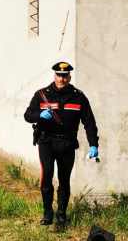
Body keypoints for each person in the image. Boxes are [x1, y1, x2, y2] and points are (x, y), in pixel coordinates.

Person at [24, 61, 99, 228]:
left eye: (65, 76)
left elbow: (89, 122)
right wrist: (39, 115)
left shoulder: (78, 97)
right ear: (54, 75)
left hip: (67, 143)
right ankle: (47, 213)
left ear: (69, 76)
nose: (62, 79)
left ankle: (61, 215)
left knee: (64, 180)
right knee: (47, 177)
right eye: (59, 75)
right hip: (47, 142)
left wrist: (94, 144)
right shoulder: (42, 94)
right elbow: (27, 115)